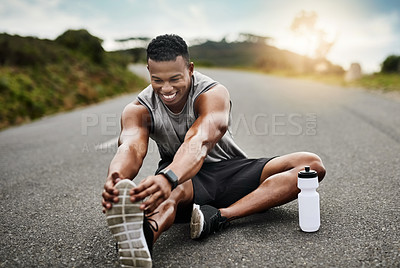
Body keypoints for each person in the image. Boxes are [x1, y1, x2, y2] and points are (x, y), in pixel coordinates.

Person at [102, 34, 326, 267]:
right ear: (148, 70)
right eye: (157, 79)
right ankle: (143, 237)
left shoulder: (212, 92)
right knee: (174, 192)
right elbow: (130, 146)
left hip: (227, 172)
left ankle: (219, 216)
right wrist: (116, 179)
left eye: (175, 78)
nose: (166, 88)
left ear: (190, 69)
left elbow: (199, 140)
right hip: (183, 182)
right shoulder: (139, 108)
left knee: (310, 164)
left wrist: (169, 177)